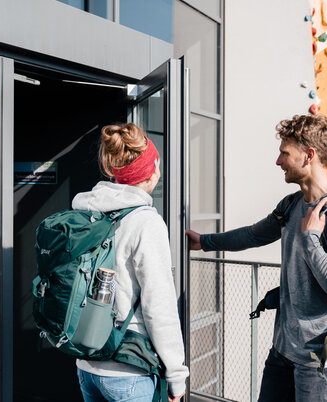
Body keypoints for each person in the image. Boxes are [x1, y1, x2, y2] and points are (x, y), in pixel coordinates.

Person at [186, 114, 327, 401]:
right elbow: (253, 235)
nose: (278, 161)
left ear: (309, 156)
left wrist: (311, 240)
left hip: (319, 361)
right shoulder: (292, 205)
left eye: (285, 153)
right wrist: (204, 242)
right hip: (283, 351)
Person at [73, 123, 188, 402]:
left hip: (87, 366)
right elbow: (158, 306)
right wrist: (176, 375)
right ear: (153, 169)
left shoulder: (88, 212)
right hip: (129, 370)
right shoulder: (145, 222)